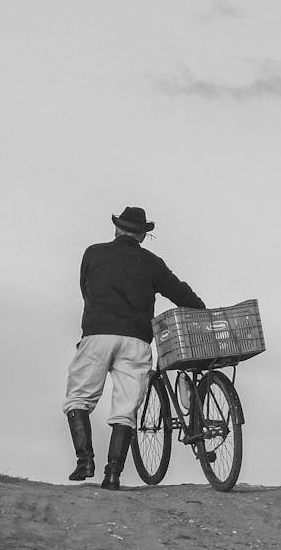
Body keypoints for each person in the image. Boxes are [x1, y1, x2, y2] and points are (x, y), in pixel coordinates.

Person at [63, 206, 206, 491]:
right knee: (125, 409)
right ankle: (113, 475)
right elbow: (179, 292)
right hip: (136, 341)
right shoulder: (152, 262)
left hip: (97, 334)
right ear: (142, 234)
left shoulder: (93, 253)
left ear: (117, 228)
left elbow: (86, 290)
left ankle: (85, 461)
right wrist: (200, 310)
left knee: (78, 399)